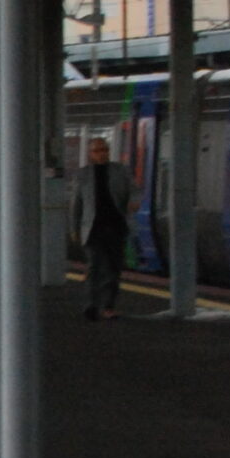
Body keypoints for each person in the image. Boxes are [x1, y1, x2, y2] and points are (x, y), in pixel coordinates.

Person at [70, 136, 134, 320]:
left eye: (105, 149)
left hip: (116, 226)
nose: (102, 153)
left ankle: (108, 306)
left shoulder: (121, 171)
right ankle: (91, 304)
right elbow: (77, 204)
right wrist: (74, 228)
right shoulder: (82, 175)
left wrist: (134, 202)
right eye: (97, 150)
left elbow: (135, 190)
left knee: (113, 269)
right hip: (92, 229)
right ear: (90, 154)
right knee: (94, 267)